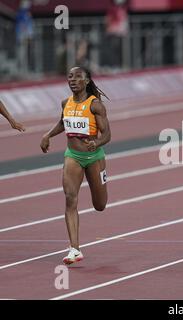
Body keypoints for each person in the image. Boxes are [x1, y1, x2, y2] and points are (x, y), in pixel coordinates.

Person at [40, 66, 111, 264]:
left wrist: (95, 143)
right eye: (70, 77)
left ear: (87, 80)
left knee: (100, 205)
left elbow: (107, 134)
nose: (72, 80)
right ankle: (74, 248)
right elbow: (63, 123)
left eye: (77, 77)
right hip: (72, 156)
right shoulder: (66, 103)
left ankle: (100, 195)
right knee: (70, 199)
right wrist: (48, 135)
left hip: (95, 157)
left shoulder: (95, 105)